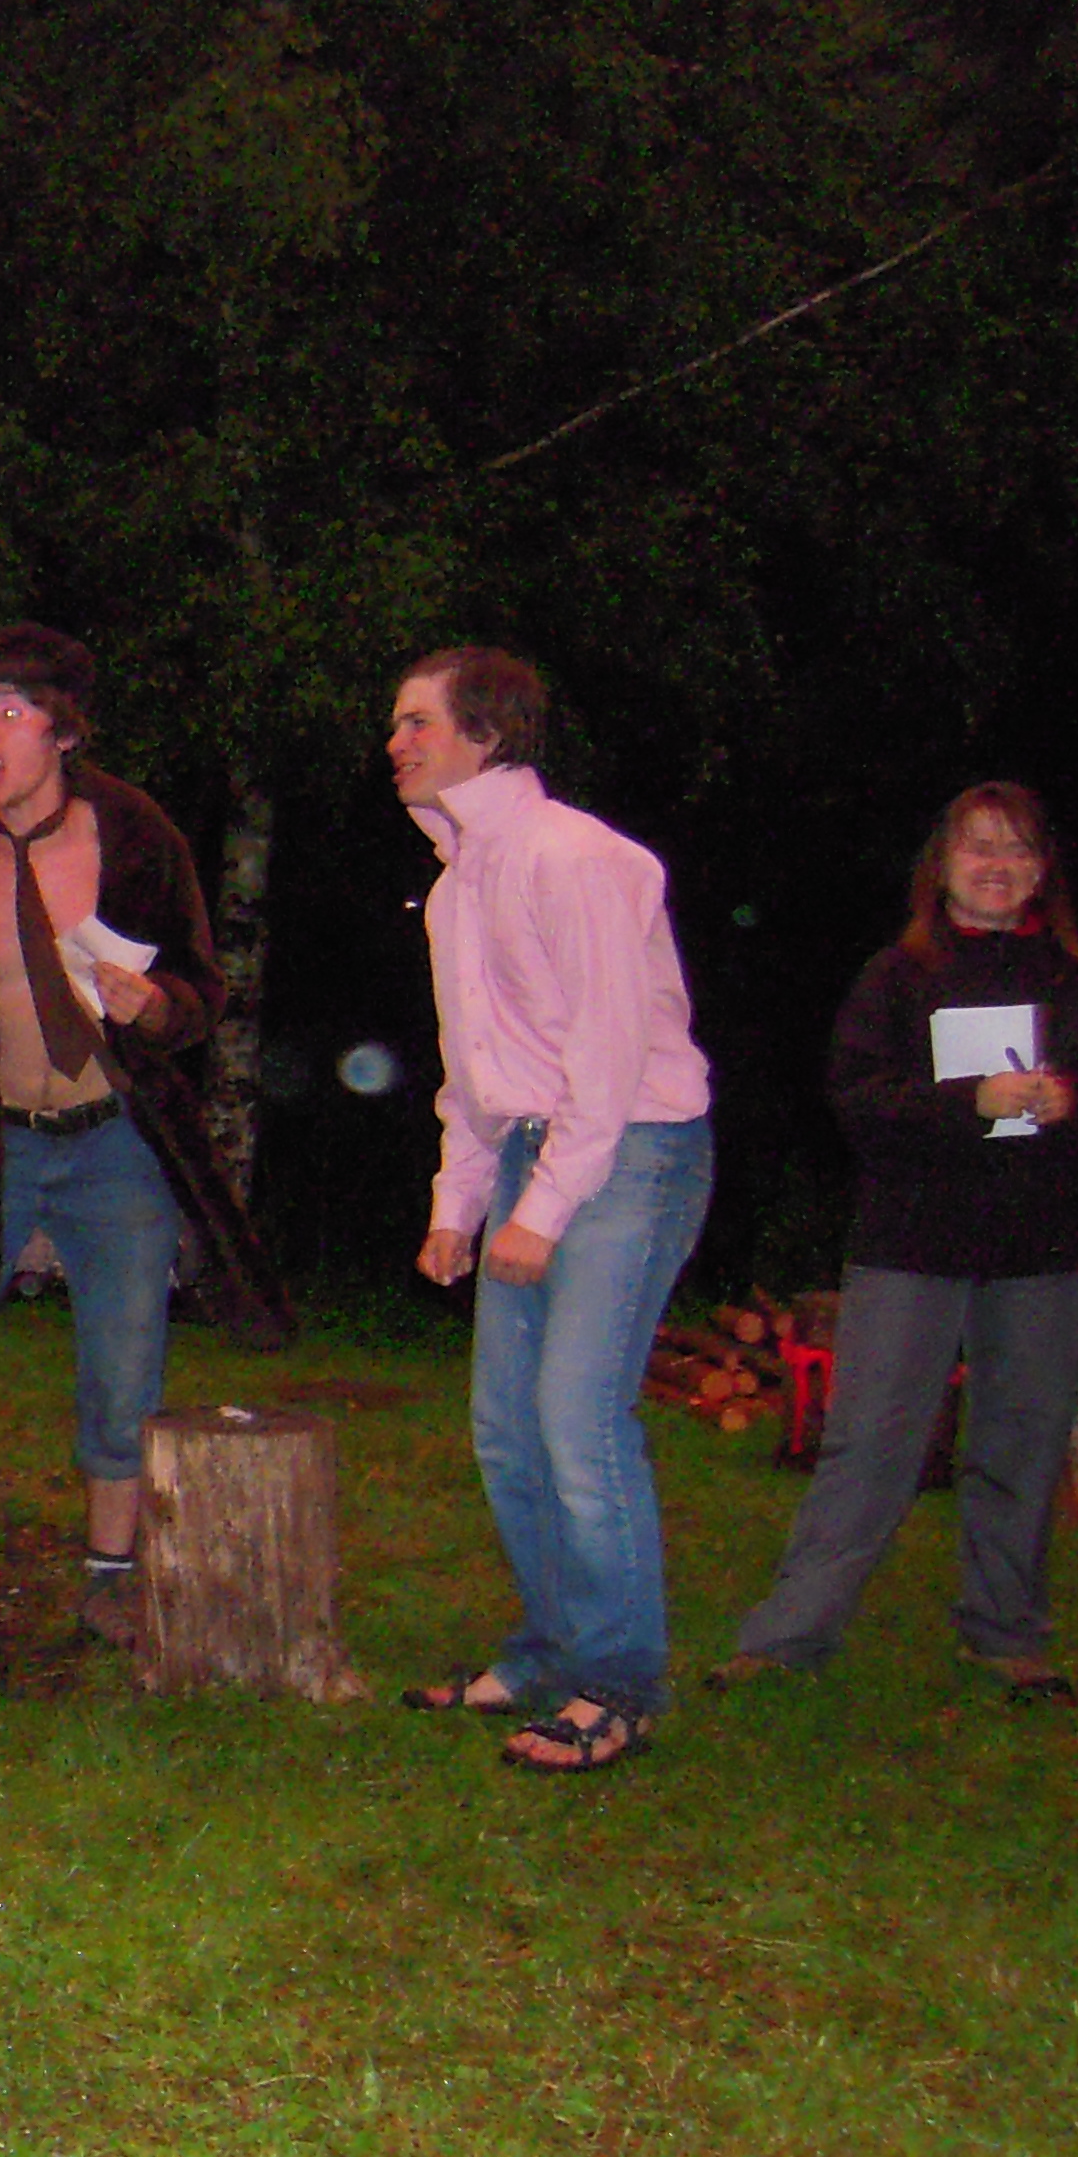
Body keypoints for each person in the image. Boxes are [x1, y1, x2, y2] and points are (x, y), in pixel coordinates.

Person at [0, 625, 288, 1647]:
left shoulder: (136, 836)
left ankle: (109, 1578)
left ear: (61, 731)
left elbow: (202, 989)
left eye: (8, 712)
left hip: (115, 1143)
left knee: (124, 1361)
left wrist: (158, 1005)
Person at [716, 785, 1078, 1702]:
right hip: (912, 1244)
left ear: (1043, 870)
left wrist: (1074, 1104)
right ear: (941, 865)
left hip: (1046, 1249)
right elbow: (858, 1101)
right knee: (869, 1442)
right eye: (979, 848)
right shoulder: (896, 977)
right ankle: (788, 1637)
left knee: (1020, 1445)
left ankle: (1006, 1634)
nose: (998, 867)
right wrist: (968, 1101)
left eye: (1018, 850)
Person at [390, 647, 715, 1773]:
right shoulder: (455, 888)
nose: (397, 743)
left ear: (485, 736)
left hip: (633, 1149)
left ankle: (619, 1685)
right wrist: (461, 1203)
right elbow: (478, 1069)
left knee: (580, 1422)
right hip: (538, 1146)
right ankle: (551, 1652)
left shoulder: (578, 857)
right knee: (508, 1429)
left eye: (419, 722)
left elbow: (610, 1050)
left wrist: (547, 1205)